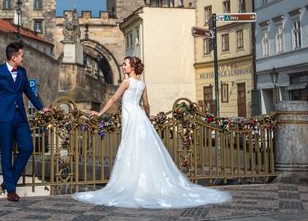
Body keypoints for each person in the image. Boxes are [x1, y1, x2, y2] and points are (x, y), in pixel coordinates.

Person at [73, 56, 231, 209]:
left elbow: (114, 99)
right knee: (143, 148)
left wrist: (100, 114)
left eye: (125, 64)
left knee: (131, 147)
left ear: (133, 67)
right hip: (139, 116)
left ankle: (133, 183)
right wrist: (147, 117)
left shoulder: (126, 82)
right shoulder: (142, 83)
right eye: (123, 64)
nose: (123, 67)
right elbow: (146, 104)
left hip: (131, 117)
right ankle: (145, 182)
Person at [0, 41, 47, 202]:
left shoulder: (22, 72)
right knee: (6, 153)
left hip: (20, 117)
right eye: (22, 55)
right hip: (3, 118)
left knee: (27, 148)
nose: (23, 58)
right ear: (13, 57)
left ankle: (9, 181)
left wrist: (41, 109)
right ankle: (11, 190)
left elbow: (28, 91)